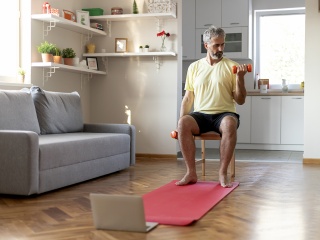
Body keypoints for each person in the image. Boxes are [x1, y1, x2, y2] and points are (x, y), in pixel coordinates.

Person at [176, 26, 248, 188]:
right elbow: (188, 98)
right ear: (206, 45)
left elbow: (240, 100)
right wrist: (180, 124)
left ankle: (222, 174)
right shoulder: (194, 67)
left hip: (224, 114)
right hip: (201, 115)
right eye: (216, 45)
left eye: (223, 44)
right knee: (183, 123)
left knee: (230, 123)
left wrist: (240, 79)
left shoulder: (232, 66)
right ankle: (191, 173)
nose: (220, 49)